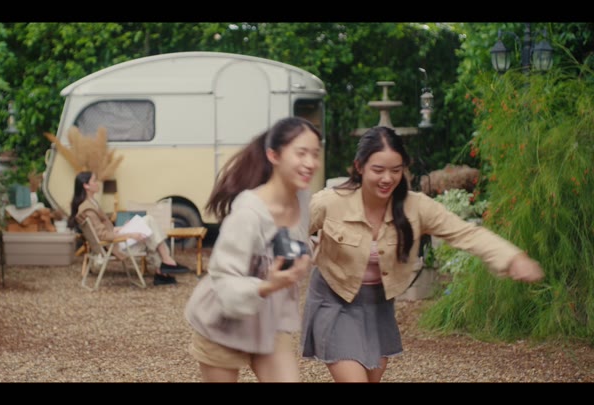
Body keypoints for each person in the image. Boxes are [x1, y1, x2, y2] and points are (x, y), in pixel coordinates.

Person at [300, 126, 545, 382]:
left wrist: (512, 257)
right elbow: (291, 231)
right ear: (359, 167)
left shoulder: (416, 207)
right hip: (334, 299)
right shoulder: (330, 202)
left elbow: (465, 233)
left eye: (396, 170)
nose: (387, 178)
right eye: (378, 170)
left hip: (378, 304)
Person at [184, 116, 322, 382]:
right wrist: (267, 285)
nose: (311, 163)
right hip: (222, 322)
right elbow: (224, 279)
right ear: (273, 155)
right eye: (301, 153)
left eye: (315, 154)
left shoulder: (303, 200)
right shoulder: (248, 213)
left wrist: (307, 255)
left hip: (269, 320)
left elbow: (294, 245)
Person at [68, 171, 189, 286]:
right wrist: (130, 234)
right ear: (86, 186)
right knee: (148, 227)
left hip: (115, 241)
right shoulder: (88, 209)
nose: (97, 183)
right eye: (94, 180)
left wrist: (123, 228)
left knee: (148, 224)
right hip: (115, 246)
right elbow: (102, 235)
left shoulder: (91, 203)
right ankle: (165, 264)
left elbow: (104, 230)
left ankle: (163, 269)